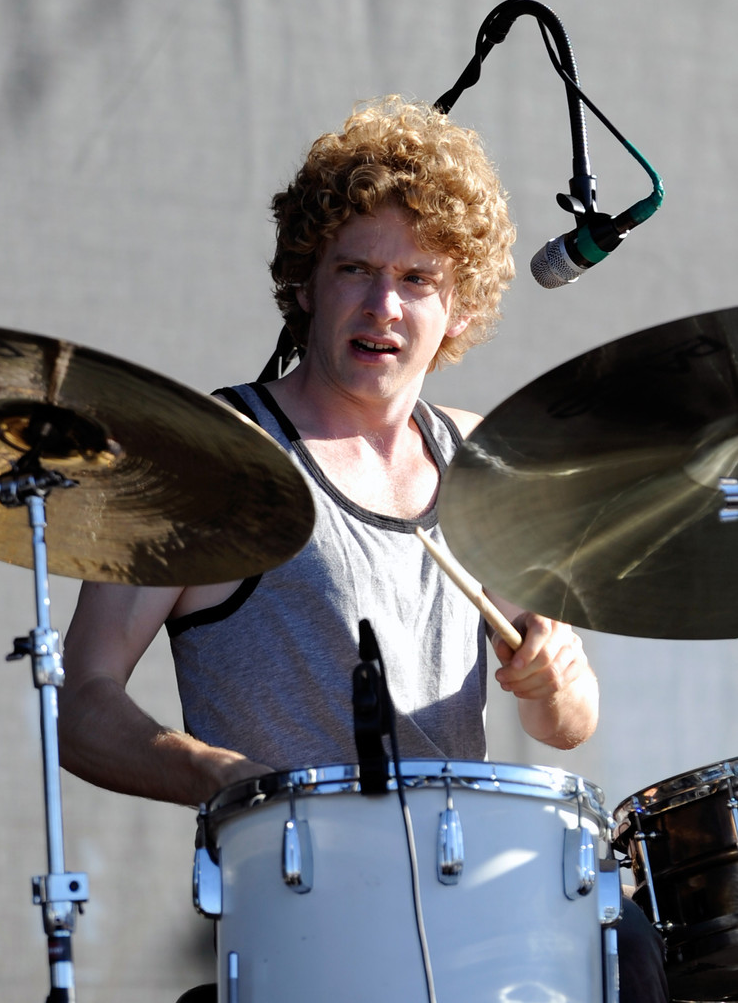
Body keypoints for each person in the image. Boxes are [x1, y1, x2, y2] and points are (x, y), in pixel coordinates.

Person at [58, 95, 667, 1002]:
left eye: (418, 278)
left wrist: (557, 679)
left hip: (475, 914)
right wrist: (228, 780)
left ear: (458, 307)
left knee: (635, 950)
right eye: (355, 269)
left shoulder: (484, 460)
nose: (383, 305)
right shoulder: (210, 459)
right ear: (306, 282)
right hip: (304, 918)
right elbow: (82, 707)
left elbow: (567, 726)